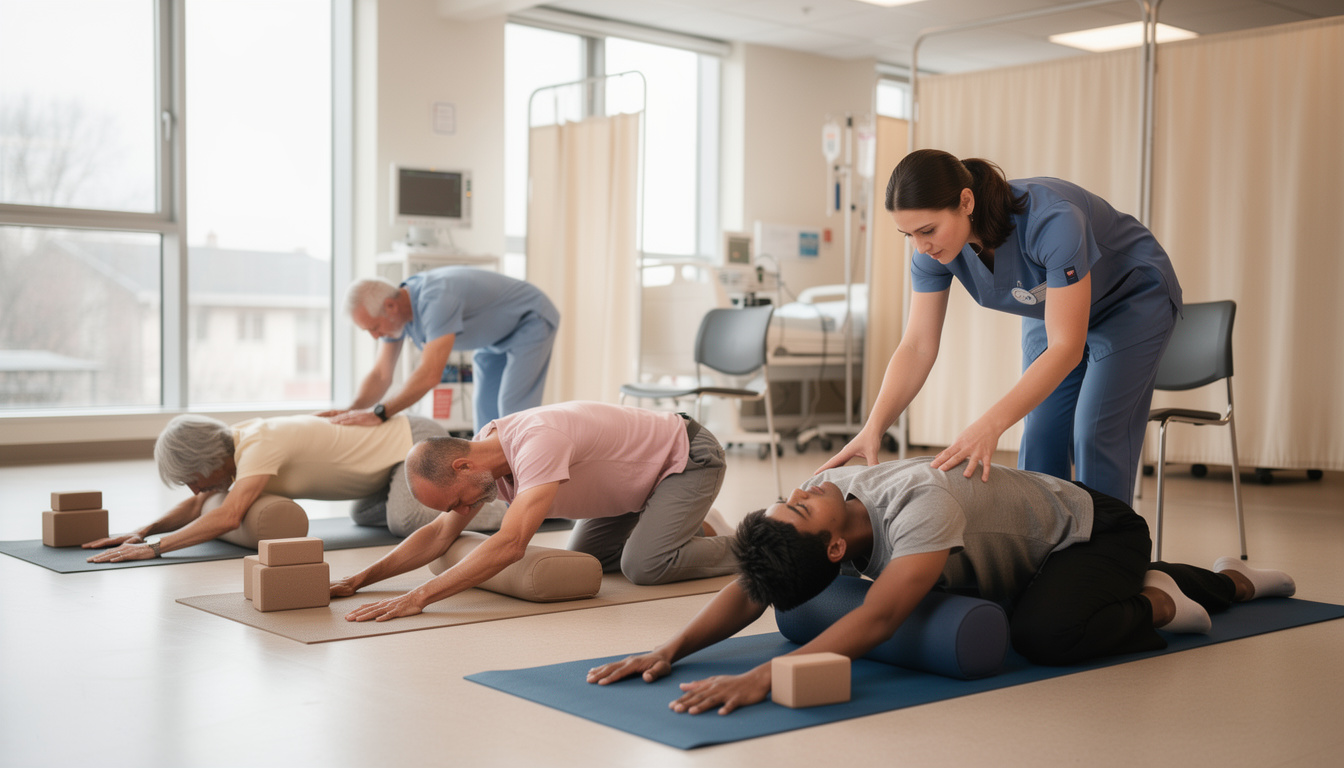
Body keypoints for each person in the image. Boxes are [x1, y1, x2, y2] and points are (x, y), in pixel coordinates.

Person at [587, 458, 1295, 716]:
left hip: (1091, 530)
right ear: (833, 549)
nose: (803, 488)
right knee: (1027, 605)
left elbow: (881, 617)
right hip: (1019, 559)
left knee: (1043, 635)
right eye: (796, 505)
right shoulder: (831, 527)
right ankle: (1232, 580)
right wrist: (671, 649)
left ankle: (1161, 602)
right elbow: (756, 586)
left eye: (791, 499)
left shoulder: (915, 504)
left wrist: (766, 675)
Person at [819, 149, 1182, 504]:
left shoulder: (1053, 221)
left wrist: (989, 425)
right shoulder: (931, 253)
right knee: (1041, 433)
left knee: (1094, 431)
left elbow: (1066, 347)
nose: (921, 246)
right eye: (908, 234)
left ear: (966, 201)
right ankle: (1043, 539)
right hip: (1051, 310)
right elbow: (917, 346)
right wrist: (874, 427)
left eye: (927, 230)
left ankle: (1111, 541)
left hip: (1129, 301)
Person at [331, 401, 736, 622]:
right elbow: (440, 534)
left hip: (685, 460)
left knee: (643, 566)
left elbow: (511, 544)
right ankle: (686, 528)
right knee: (588, 562)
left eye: (455, 502)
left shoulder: (536, 443)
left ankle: (756, 541)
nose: (462, 511)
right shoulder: (484, 456)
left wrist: (420, 596)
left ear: (462, 466)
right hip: (635, 486)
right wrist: (359, 580)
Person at [84, 412, 455, 562]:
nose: (196, 491)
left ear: (208, 461)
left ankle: (486, 502)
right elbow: (200, 506)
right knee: (365, 514)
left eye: (193, 480)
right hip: (385, 470)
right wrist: (142, 531)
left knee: (405, 520)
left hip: (413, 441)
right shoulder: (233, 446)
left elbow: (228, 516)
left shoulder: (258, 445)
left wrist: (154, 549)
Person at [322, 267, 559, 433]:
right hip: (493, 339)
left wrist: (380, 413)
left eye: (374, 328)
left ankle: (526, 485)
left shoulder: (435, 299)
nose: (375, 336)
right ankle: (494, 488)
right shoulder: (398, 317)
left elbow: (430, 374)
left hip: (530, 319)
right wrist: (350, 411)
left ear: (390, 306)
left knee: (513, 411)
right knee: (486, 417)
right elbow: (381, 375)